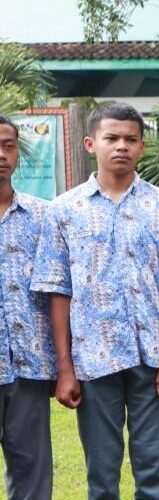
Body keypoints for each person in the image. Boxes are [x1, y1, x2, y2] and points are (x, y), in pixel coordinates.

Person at [30, 102, 159, 499]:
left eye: (130, 139)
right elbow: (58, 291)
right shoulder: (64, 210)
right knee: (101, 473)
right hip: (93, 360)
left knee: (153, 470)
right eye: (111, 138)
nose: (121, 146)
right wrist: (65, 368)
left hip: (151, 359)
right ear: (90, 143)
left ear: (142, 146)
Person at [0, 114, 56, 500]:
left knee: (32, 478)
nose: (1, 154)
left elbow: (57, 292)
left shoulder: (42, 216)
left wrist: (62, 364)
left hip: (28, 367)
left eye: (8, 145)